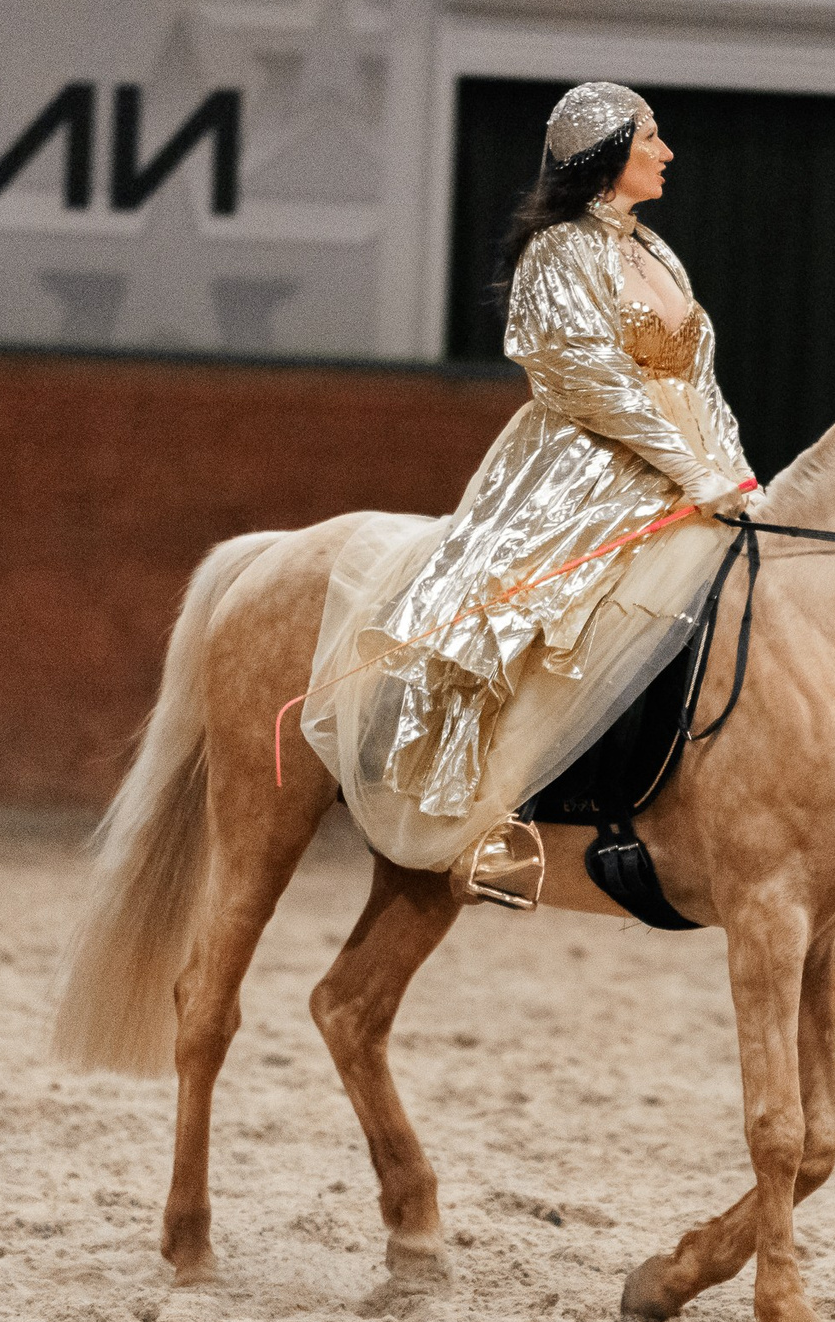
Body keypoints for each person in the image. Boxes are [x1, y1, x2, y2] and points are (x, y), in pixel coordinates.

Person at [303, 82, 757, 896]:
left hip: (683, 466)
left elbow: (698, 378)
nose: (666, 152)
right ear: (609, 153)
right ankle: (494, 821)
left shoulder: (654, 250)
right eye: (651, 137)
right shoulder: (559, 251)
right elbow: (589, 378)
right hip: (580, 470)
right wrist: (691, 470)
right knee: (531, 610)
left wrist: (733, 471)